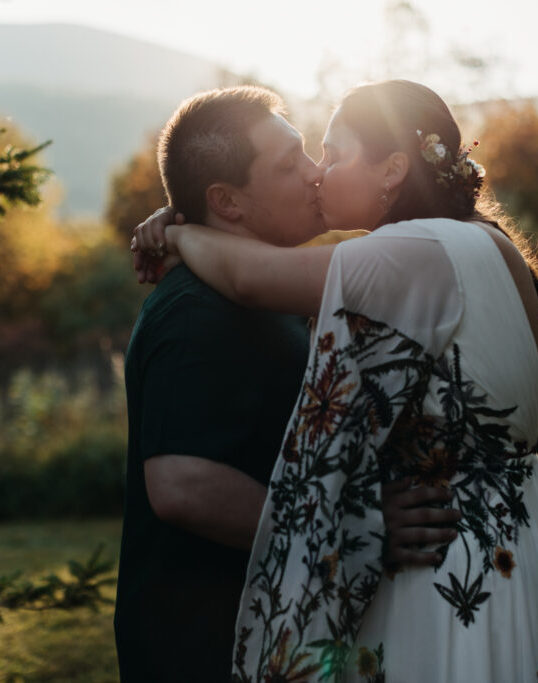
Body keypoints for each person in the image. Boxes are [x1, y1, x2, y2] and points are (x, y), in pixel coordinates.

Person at [134, 79, 538, 682]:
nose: (318, 174)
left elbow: (252, 276)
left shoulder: (411, 254)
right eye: (299, 161)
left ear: (394, 169)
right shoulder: (481, 240)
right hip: (507, 551)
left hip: (447, 567)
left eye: (332, 154)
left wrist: (182, 230)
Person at [116, 85, 460, 682]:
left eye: (311, 153)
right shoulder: (196, 309)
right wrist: (362, 525)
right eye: (289, 164)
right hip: (202, 644)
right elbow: (180, 485)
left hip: (277, 630)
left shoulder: (265, 292)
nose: (314, 175)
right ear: (226, 202)